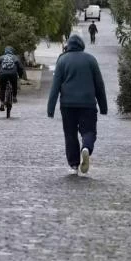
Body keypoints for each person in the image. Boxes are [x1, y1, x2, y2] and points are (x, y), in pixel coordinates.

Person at [46, 34, 108, 175]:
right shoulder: (91, 60)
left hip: (67, 105)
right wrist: (103, 107)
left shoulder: (62, 60)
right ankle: (86, 148)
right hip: (88, 104)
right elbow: (99, 84)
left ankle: (74, 164)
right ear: (82, 46)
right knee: (89, 131)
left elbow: (55, 86)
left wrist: (50, 109)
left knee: (70, 134)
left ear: (68, 46)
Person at [0, 46, 26, 111]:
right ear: (12, 51)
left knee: (2, 88)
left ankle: (2, 103)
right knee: (14, 85)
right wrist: (20, 76)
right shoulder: (15, 58)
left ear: (5, 51)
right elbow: (20, 68)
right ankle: (14, 97)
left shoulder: (1, 58)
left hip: (3, 74)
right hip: (13, 74)